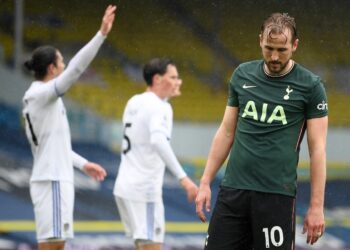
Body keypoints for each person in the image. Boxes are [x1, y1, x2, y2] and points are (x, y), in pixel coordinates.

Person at [195, 13, 328, 249]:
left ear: (295, 45)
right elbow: (226, 132)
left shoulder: (311, 86)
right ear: (260, 41)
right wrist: (205, 181)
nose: (274, 56)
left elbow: (317, 150)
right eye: (269, 48)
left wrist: (316, 207)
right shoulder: (242, 74)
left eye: (282, 49)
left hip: (276, 195)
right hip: (233, 191)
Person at [22, 5, 116, 250]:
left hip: (55, 177)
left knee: (57, 245)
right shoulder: (42, 94)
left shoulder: (42, 97)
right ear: (52, 68)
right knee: (52, 246)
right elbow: (76, 69)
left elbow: (54, 146)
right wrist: (101, 35)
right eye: (61, 61)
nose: (65, 65)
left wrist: (83, 164)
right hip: (51, 179)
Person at [113, 58, 199, 250]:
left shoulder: (134, 101)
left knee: (142, 246)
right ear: (158, 79)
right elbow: (158, 141)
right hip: (145, 190)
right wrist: (184, 179)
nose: (179, 81)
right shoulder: (161, 107)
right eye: (174, 77)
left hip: (125, 187)